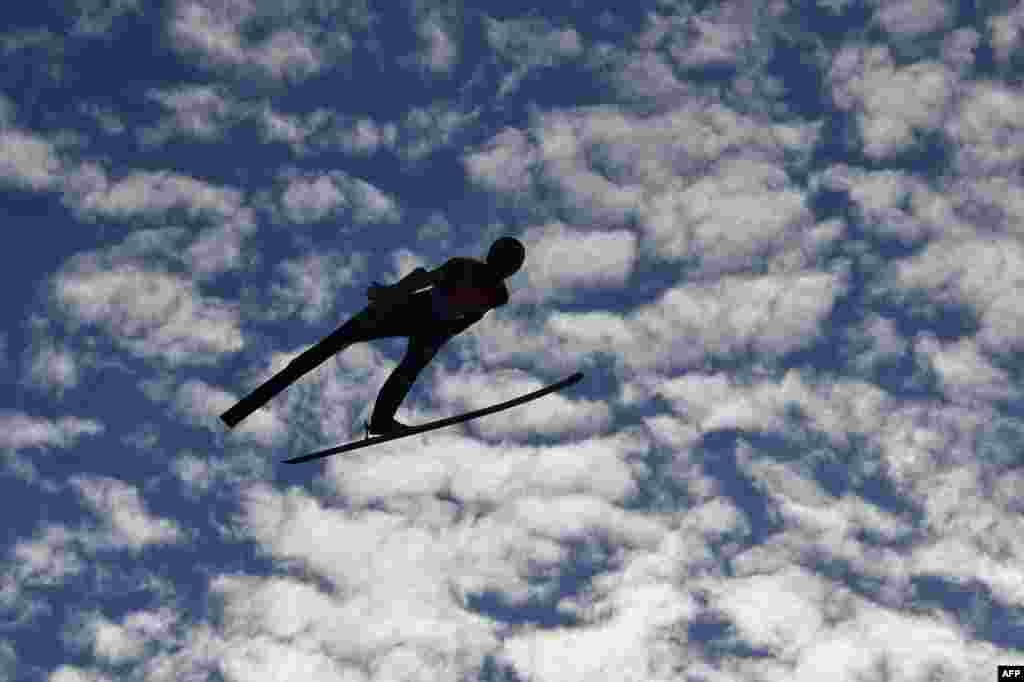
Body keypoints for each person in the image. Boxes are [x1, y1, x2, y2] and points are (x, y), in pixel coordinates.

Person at [219, 237, 527, 435]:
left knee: (408, 371)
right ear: (493, 258)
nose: (503, 271)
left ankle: (381, 421)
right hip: (411, 308)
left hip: (435, 326)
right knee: (334, 344)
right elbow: (423, 278)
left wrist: (445, 333)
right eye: (503, 263)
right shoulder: (465, 267)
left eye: (509, 267)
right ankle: (245, 407)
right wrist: (391, 294)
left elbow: (473, 317)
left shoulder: (498, 295)